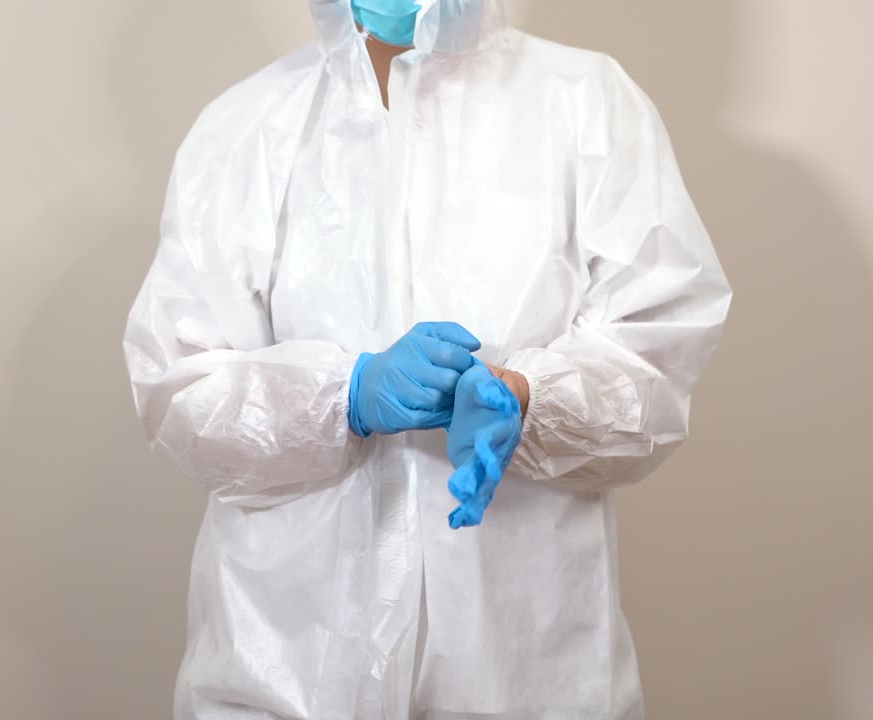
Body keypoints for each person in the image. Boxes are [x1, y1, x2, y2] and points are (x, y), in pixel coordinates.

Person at [123, 1, 732, 717]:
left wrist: (530, 399)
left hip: (524, 680)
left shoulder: (586, 104)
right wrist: (343, 397)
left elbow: (655, 359)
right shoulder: (243, 128)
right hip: (281, 677)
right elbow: (176, 388)